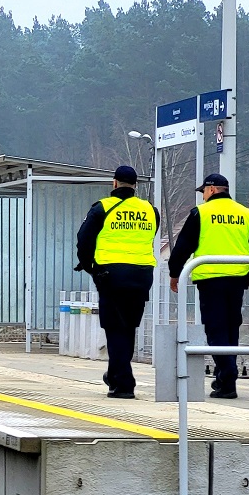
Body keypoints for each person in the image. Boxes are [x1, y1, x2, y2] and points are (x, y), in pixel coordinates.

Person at [168, 173, 249, 399]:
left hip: (211, 280)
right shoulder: (244, 213)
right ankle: (224, 378)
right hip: (237, 280)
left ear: (212, 190)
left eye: (203, 191)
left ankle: (228, 376)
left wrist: (175, 273)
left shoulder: (201, 214)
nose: (202, 196)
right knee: (231, 328)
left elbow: (183, 246)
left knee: (215, 330)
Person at [75, 165, 160, 398]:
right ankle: (115, 375)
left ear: (114, 183)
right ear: (135, 185)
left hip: (111, 275)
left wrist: (90, 266)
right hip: (142, 275)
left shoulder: (102, 207)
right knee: (128, 327)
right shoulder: (150, 210)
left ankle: (124, 384)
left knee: (114, 329)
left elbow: (83, 240)